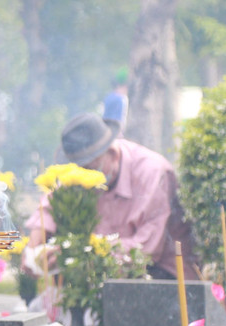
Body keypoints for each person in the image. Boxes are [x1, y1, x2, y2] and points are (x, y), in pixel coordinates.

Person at [26, 112, 200, 283]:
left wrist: (79, 253)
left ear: (113, 154)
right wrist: (33, 251)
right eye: (79, 171)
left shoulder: (152, 173)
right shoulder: (81, 171)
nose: (83, 178)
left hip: (162, 277)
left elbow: (146, 251)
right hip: (100, 270)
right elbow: (50, 207)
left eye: (89, 169)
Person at [102, 70, 129, 134]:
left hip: (105, 131)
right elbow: (119, 119)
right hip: (115, 132)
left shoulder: (108, 97)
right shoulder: (121, 99)